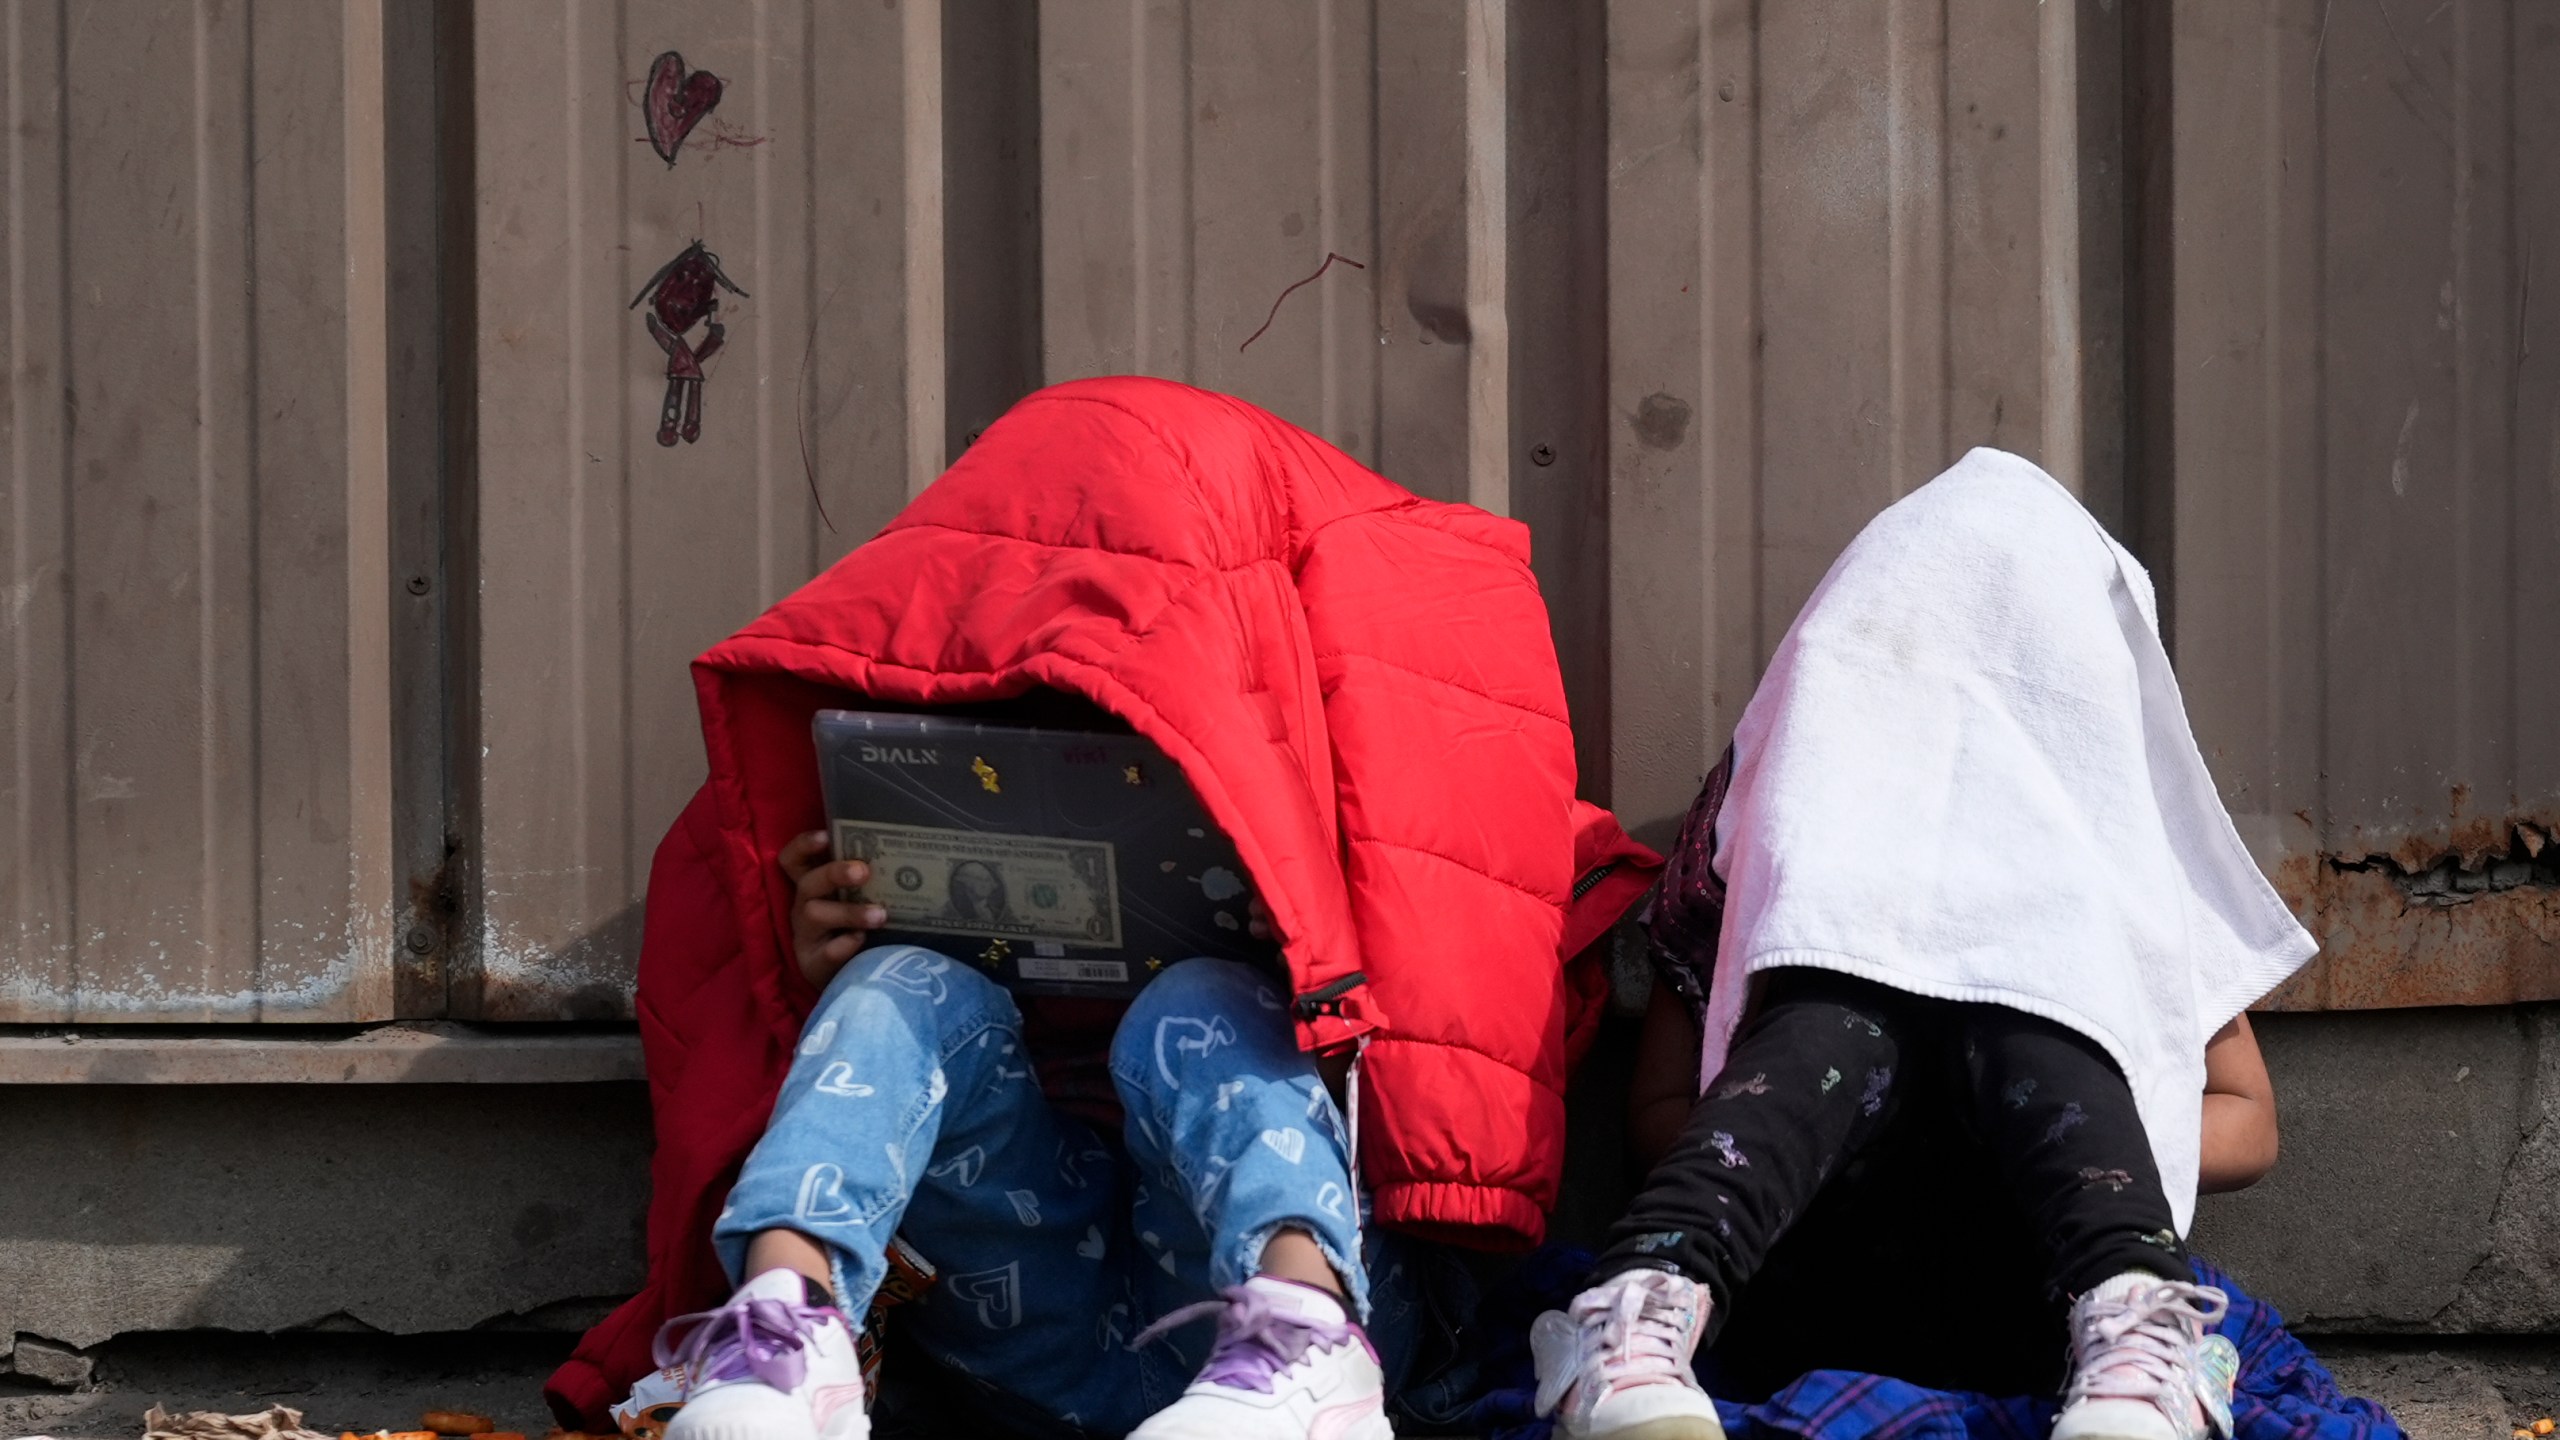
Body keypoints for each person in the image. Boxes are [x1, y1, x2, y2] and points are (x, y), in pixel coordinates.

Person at [537, 378, 1660, 1440]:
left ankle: (1309, 1346)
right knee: (897, 986)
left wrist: (1334, 974)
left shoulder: (1346, 764)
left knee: (1207, 1002)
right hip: (1025, 1304)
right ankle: (784, 1335)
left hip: (1265, 1283)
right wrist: (806, 976)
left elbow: (1494, 1010)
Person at [1530, 449, 2320, 1440]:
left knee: (2023, 1015)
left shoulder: (2108, 858)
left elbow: (2247, 1120)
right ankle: (1638, 1321)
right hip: (1803, 1279)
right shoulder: (1768, 830)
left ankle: (2133, 1347)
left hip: (2043, 1290)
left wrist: (2019, 1114)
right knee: (1848, 1018)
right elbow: (1657, 1111)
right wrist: (1849, 1099)